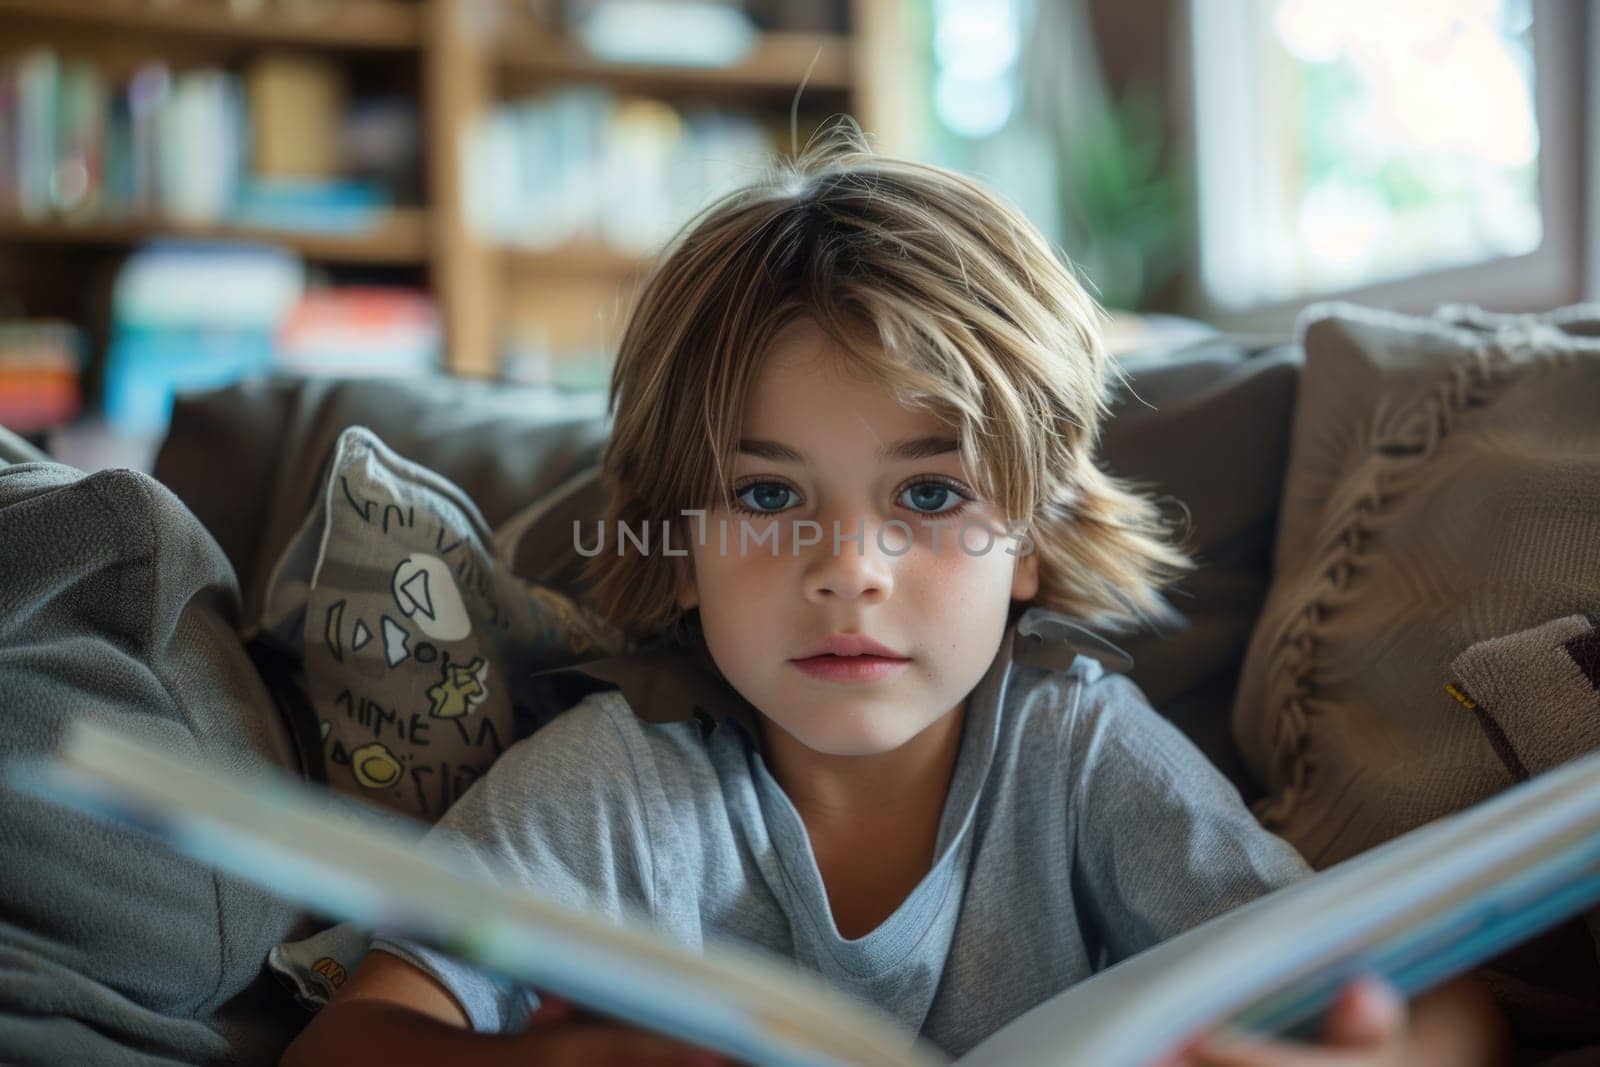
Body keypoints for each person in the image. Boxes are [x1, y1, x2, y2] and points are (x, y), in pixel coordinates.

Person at [279, 120, 1509, 1067]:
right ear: (682, 537)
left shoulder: (1076, 748)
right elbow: (349, 1039)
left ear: (1030, 544)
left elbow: (1434, 1001)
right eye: (766, 498)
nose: (846, 568)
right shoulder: (621, 781)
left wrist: (1388, 1048)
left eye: (928, 497)